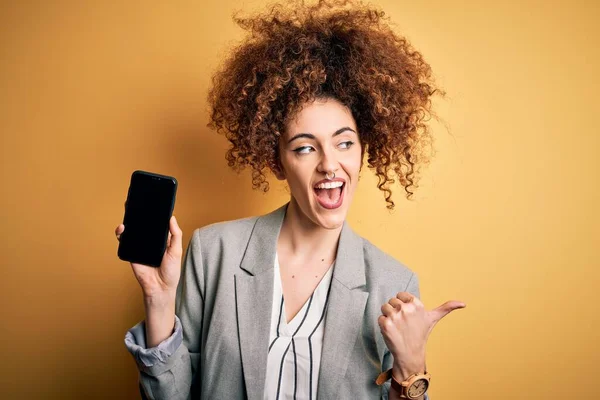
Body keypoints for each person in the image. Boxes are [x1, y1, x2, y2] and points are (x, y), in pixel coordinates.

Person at [117, 0, 466, 398]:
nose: (330, 165)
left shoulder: (393, 284)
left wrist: (411, 369)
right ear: (277, 161)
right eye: (305, 148)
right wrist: (158, 301)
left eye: (345, 143)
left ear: (363, 151)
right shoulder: (214, 252)